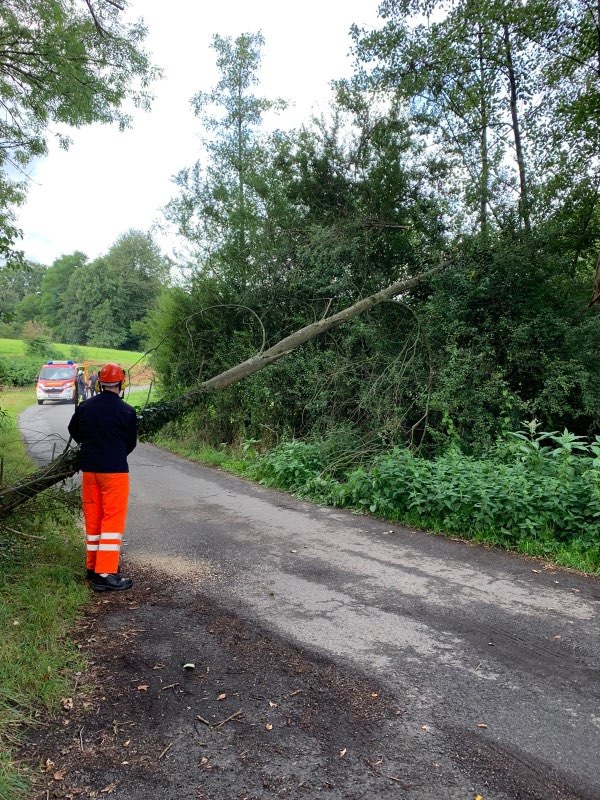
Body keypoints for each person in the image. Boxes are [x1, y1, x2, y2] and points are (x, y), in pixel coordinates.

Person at [68, 363, 137, 592]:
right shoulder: (127, 411)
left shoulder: (85, 407)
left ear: (99, 384)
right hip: (114, 472)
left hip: (90, 471)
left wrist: (91, 447)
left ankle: (92, 567)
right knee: (111, 522)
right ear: (121, 383)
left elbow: (74, 430)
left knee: (94, 520)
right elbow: (130, 443)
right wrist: (115, 454)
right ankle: (105, 573)